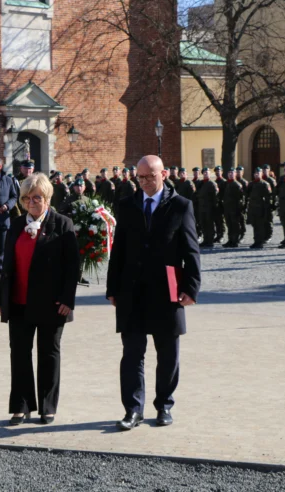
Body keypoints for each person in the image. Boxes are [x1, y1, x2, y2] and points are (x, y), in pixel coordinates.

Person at [106, 155, 201, 431]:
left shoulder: (181, 205)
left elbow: (191, 250)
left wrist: (191, 288)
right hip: (132, 290)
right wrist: (113, 288)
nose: (145, 182)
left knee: (168, 354)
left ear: (164, 174)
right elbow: (118, 249)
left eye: (151, 176)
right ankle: (133, 410)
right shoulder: (127, 205)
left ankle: (164, 406)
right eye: (141, 177)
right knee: (132, 354)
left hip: (166, 290)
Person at [0, 173, 78, 426]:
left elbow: (72, 267)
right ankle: (21, 406)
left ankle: (47, 406)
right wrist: (1, 299)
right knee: (19, 355)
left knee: (48, 354)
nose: (31, 203)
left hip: (52, 304)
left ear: (47, 198)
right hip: (18, 301)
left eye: (36, 198)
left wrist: (67, 300)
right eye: (26, 198)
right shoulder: (16, 225)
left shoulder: (62, 224)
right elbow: (7, 265)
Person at [247, 167, 271, 249]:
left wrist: (267, 209)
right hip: (253, 207)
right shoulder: (252, 184)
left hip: (261, 208)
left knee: (260, 225)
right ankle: (256, 241)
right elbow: (247, 194)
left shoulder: (265, 184)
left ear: (261, 174)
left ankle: (260, 242)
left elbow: (268, 197)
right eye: (255, 173)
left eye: (258, 173)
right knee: (255, 225)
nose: (256, 175)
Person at [222, 168, 245, 248]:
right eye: (229, 173)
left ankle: (235, 240)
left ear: (235, 174)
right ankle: (230, 240)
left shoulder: (237, 185)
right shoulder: (226, 184)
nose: (230, 174)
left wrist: (239, 209)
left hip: (234, 209)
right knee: (229, 225)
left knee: (235, 225)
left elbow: (241, 198)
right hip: (227, 208)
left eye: (232, 173)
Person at [196, 167, 218, 248]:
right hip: (202, 207)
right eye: (204, 172)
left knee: (209, 224)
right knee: (203, 224)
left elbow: (215, 197)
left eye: (207, 172)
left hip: (209, 207)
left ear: (210, 174)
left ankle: (210, 241)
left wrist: (214, 208)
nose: (206, 174)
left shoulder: (212, 183)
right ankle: (205, 240)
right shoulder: (201, 183)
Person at [262, 164, 277, 242]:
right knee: (262, 220)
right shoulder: (261, 179)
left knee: (268, 220)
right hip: (261, 203)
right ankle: (263, 235)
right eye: (264, 170)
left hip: (269, 203)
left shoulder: (271, 180)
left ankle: (268, 236)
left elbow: (275, 193)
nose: (265, 171)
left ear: (269, 171)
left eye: (266, 170)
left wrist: (274, 203)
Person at [212, 166, 227, 243]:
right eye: (216, 171)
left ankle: (222, 235)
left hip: (221, 204)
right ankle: (218, 235)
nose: (217, 172)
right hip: (216, 204)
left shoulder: (224, 182)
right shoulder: (215, 182)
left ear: (222, 172)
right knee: (216, 220)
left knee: (221, 220)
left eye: (219, 171)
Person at [235, 166, 249, 242]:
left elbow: (247, 195)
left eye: (239, 172)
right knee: (236, 220)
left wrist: (245, 205)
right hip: (235, 204)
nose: (238, 173)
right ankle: (237, 234)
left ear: (242, 173)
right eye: (237, 172)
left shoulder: (244, 182)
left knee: (242, 220)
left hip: (242, 204)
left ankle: (242, 234)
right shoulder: (234, 181)